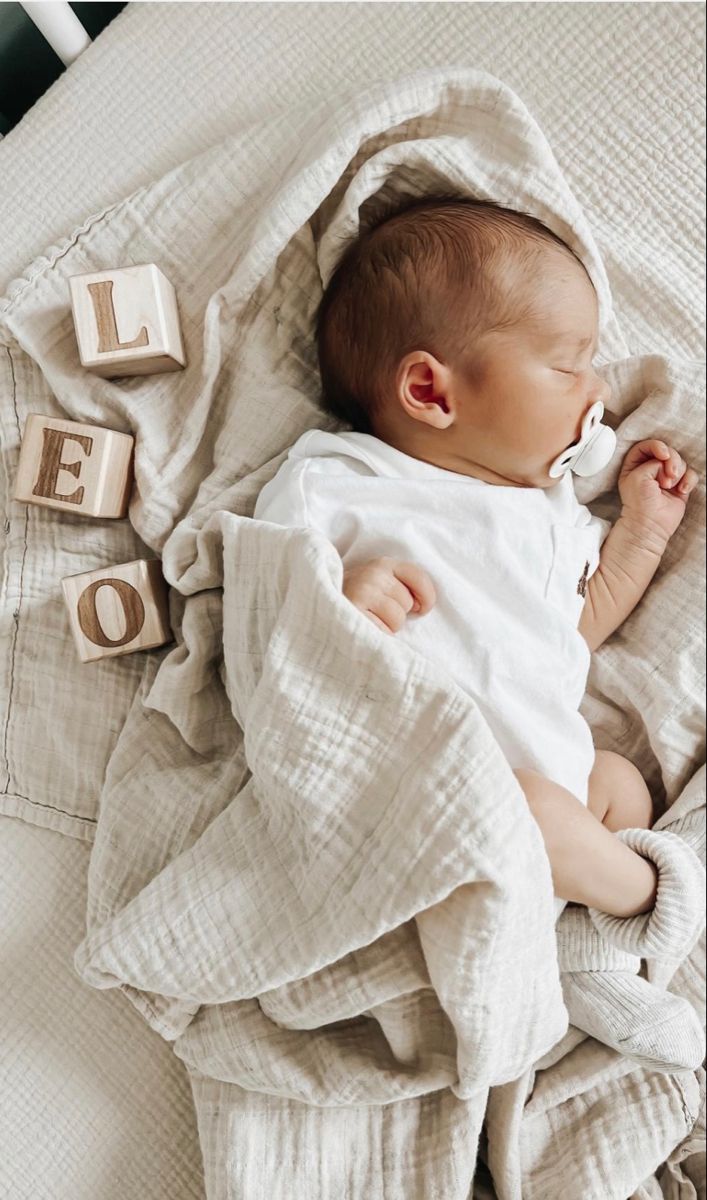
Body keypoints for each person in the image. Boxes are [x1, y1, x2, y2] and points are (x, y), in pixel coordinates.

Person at [253, 197, 704, 1069]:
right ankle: (652, 898)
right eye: (568, 366)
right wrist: (342, 603)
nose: (599, 390)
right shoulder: (338, 485)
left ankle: (584, 961)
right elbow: (271, 616)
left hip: (549, 796)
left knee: (613, 783)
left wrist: (642, 531)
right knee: (537, 809)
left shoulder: (540, 512)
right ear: (430, 390)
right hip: (435, 803)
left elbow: (570, 628)